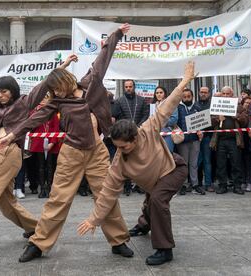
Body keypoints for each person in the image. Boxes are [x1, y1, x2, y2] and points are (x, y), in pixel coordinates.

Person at [17, 24, 133, 263]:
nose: (58, 91)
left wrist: (117, 34)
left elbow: (104, 57)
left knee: (105, 195)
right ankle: (39, 243)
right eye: (54, 89)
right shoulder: (57, 100)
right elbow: (34, 117)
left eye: (60, 86)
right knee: (58, 198)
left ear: (69, 79)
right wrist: (10, 136)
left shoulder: (90, 83)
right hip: (70, 152)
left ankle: (119, 240)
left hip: (97, 151)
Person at [77, 61, 195, 266]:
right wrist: (93, 219)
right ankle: (144, 225)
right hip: (152, 179)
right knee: (152, 199)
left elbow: (167, 106)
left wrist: (185, 80)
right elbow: (107, 193)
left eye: (124, 147)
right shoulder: (119, 162)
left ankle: (164, 249)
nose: (120, 151)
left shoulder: (148, 130)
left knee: (158, 200)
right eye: (117, 147)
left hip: (172, 168)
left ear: (134, 139)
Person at [0, 45, 72, 261]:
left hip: (9, 153)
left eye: (5, 91)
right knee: (7, 202)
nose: (1, 95)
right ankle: (37, 228)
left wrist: (64, 65)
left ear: (13, 90)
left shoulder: (24, 103)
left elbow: (45, 85)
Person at [113, 79, 150, 195]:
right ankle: (127, 186)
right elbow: (118, 117)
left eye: (130, 86)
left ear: (134, 87)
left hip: (139, 133)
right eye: (126, 87)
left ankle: (140, 185)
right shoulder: (119, 101)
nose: (128, 88)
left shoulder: (142, 100)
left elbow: (146, 114)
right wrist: (127, 127)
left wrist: (138, 126)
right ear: (124, 88)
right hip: (125, 135)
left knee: (140, 159)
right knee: (126, 160)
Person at [210, 86, 247, 195]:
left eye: (228, 94)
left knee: (236, 163)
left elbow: (245, 121)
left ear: (232, 94)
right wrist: (217, 119)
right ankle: (222, 185)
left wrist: (238, 117)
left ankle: (237, 186)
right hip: (220, 139)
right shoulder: (217, 105)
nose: (226, 96)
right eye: (224, 94)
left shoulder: (238, 106)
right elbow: (210, 121)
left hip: (234, 140)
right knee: (221, 164)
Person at [177, 88, 205, 195]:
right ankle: (183, 184)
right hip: (183, 140)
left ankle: (195, 184)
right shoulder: (178, 108)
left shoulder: (197, 107)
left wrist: (201, 131)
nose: (187, 98)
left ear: (192, 96)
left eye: (189, 96)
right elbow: (175, 123)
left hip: (195, 140)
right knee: (184, 163)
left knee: (194, 163)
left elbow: (202, 122)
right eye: (184, 97)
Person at [151, 86, 178, 153]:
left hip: (167, 133)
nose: (159, 94)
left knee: (167, 154)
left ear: (165, 94)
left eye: (161, 92)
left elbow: (174, 119)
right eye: (157, 93)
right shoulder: (152, 106)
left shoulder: (171, 104)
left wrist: (160, 122)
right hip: (154, 133)